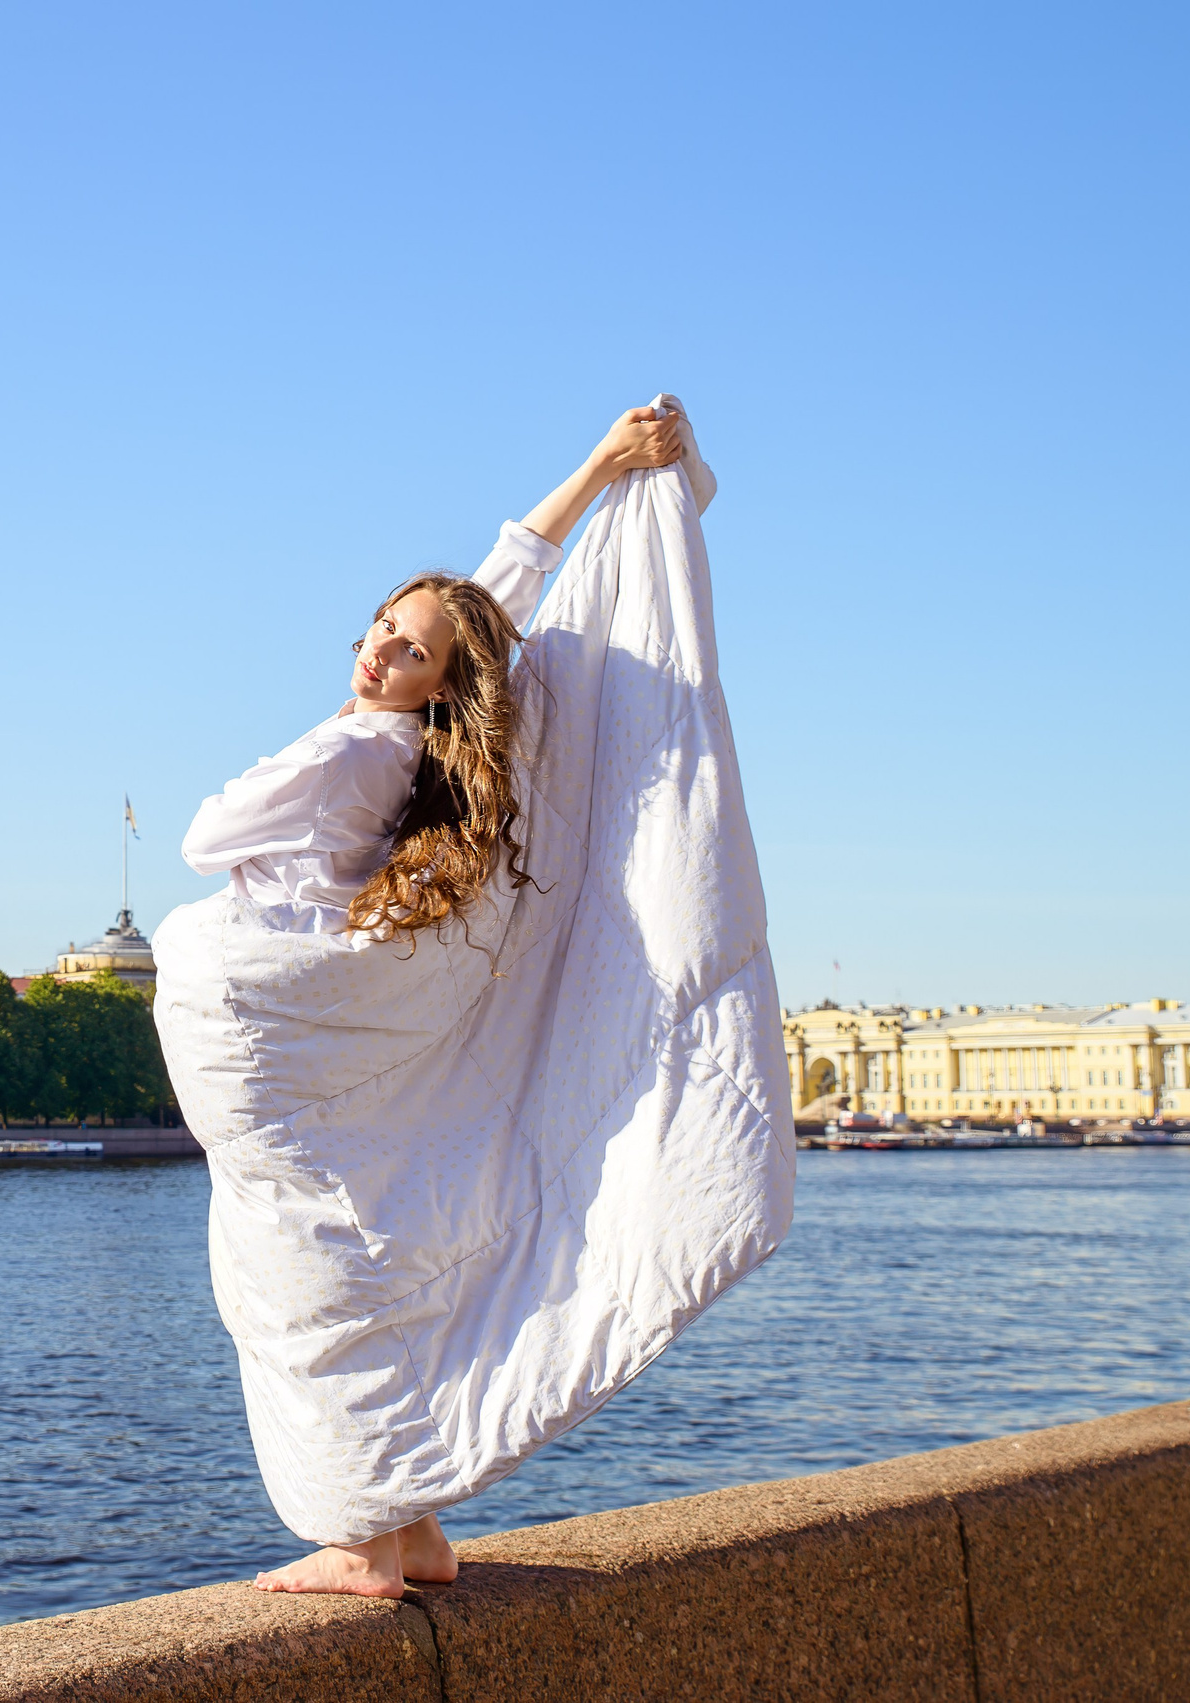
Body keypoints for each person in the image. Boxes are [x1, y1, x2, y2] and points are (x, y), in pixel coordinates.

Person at [176, 404, 701, 1598]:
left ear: (437, 681)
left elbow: (210, 836)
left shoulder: (357, 748)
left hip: (278, 1022)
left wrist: (288, 761)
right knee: (353, 1248)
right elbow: (497, 593)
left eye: (407, 650)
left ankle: (360, 1542)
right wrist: (598, 471)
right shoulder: (431, 755)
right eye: (377, 627)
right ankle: (412, 1527)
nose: (377, 652)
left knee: (296, 1268)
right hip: (325, 1014)